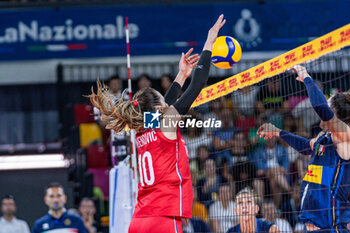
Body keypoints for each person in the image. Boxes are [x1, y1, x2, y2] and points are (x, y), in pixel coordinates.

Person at [89, 15, 226, 233]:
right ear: (158, 109)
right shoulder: (163, 123)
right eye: (161, 100)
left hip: (139, 220)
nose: (166, 101)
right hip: (163, 218)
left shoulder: (142, 127)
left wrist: (181, 74)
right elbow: (197, 85)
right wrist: (210, 41)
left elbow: (167, 102)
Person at [257, 65, 350, 232]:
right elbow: (307, 147)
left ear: (335, 114)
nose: (324, 109)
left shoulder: (345, 137)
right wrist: (278, 132)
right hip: (314, 224)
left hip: (331, 225)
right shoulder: (324, 137)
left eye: (328, 105)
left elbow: (320, 108)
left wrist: (306, 77)